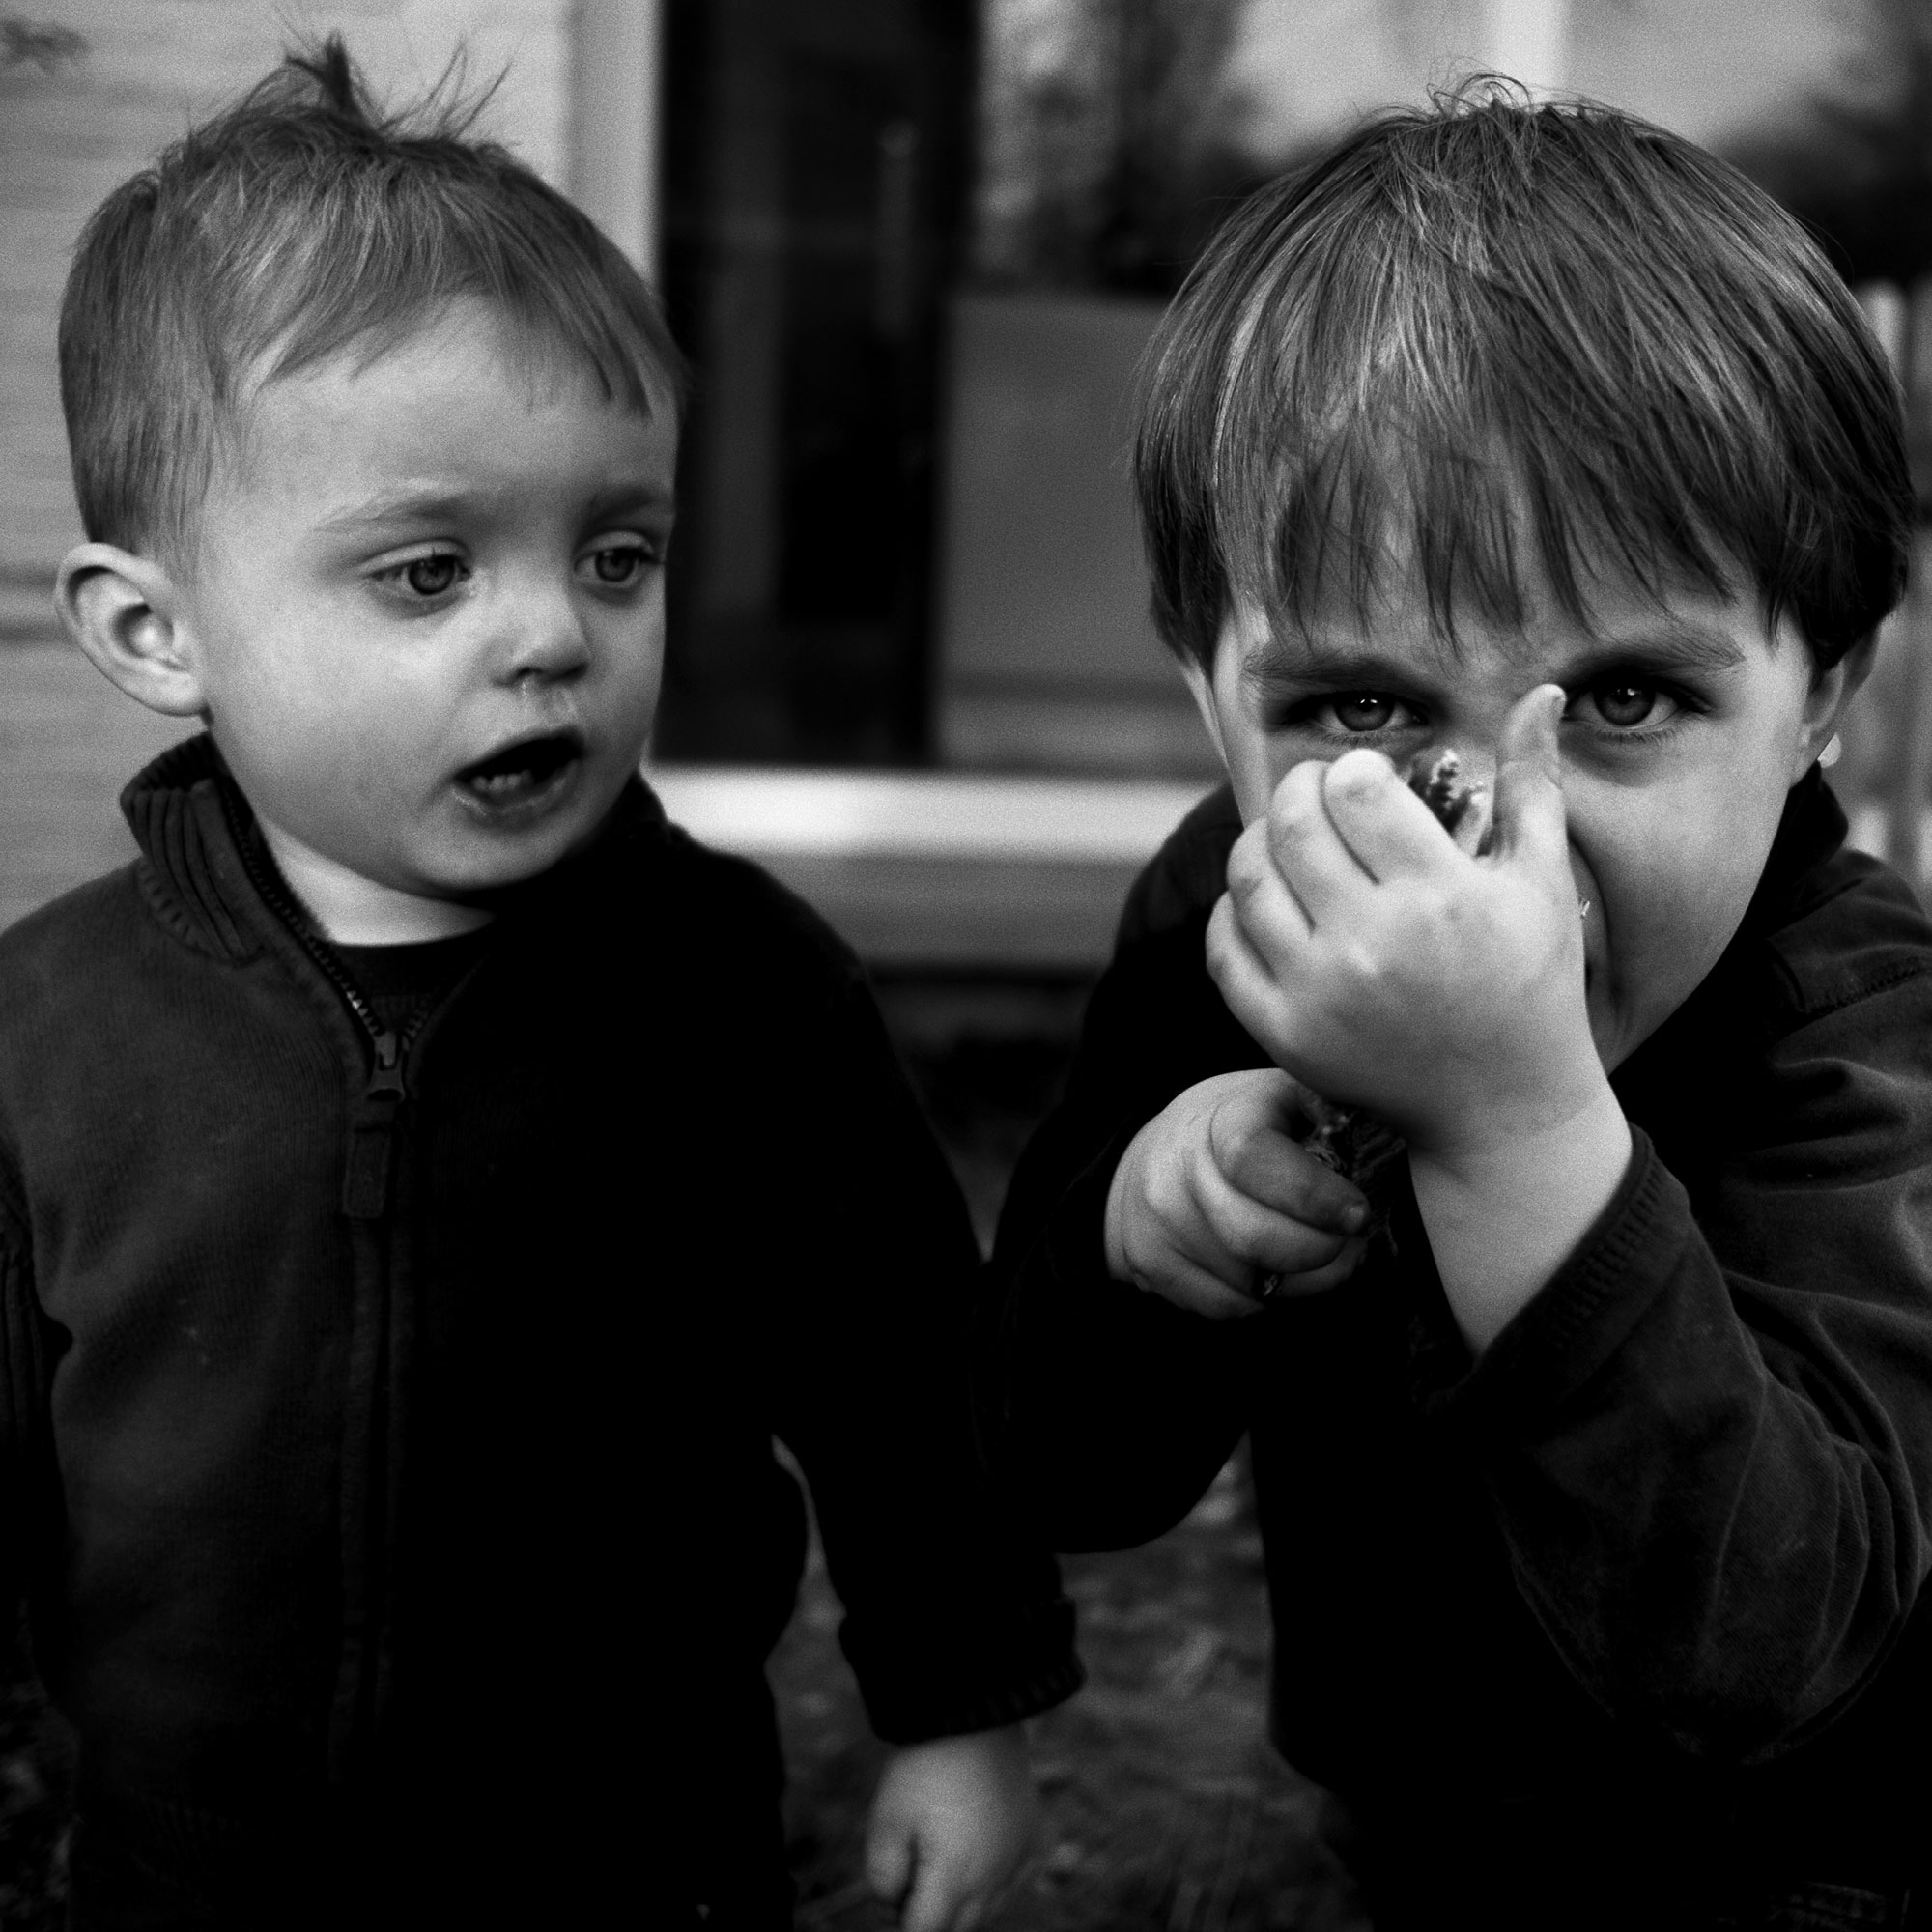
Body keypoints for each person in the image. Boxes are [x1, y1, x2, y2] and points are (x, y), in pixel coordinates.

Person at [0, 40, 1080, 1931]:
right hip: (195, 1867)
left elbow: (911, 1384)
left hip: (637, 1856)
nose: (550, 635)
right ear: (155, 631)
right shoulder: (52, 1034)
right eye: (427, 572)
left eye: (617, 552)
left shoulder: (740, 998)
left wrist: (962, 1711)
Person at [978, 86, 1928, 1930]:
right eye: (1356, 710)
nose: (1486, 837)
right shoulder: (1227, 912)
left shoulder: (1864, 1030)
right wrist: (1138, 1239)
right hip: (1410, 1835)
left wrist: (1520, 1132)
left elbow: (1797, 1663)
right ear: (1205, 690)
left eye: (1629, 701)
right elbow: (1057, 1467)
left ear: (1826, 695)